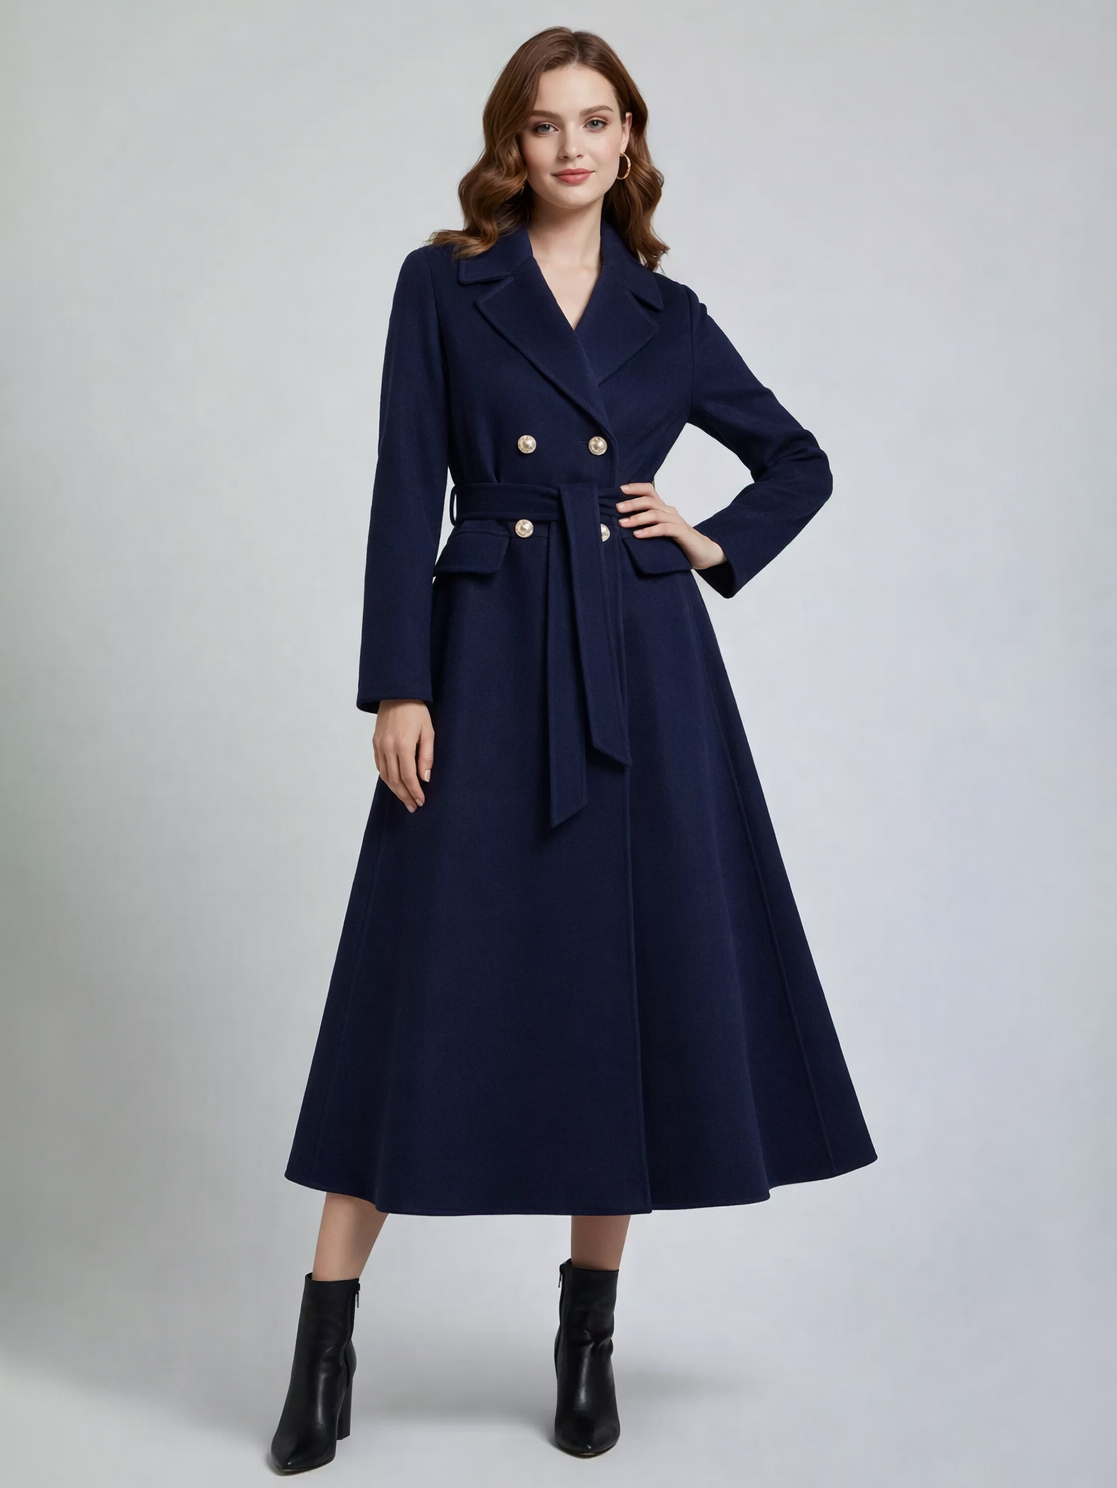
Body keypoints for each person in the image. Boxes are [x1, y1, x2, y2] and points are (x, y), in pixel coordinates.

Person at [268, 25, 877, 1474]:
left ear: (629, 138)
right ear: (512, 142)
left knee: (626, 988)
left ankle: (585, 1345)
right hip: (483, 656)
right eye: (546, 124)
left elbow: (798, 459)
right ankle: (322, 1350)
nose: (573, 147)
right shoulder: (445, 283)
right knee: (419, 981)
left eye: (597, 121)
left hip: (638, 666)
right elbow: (402, 485)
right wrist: (397, 685)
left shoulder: (668, 314)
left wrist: (707, 539)